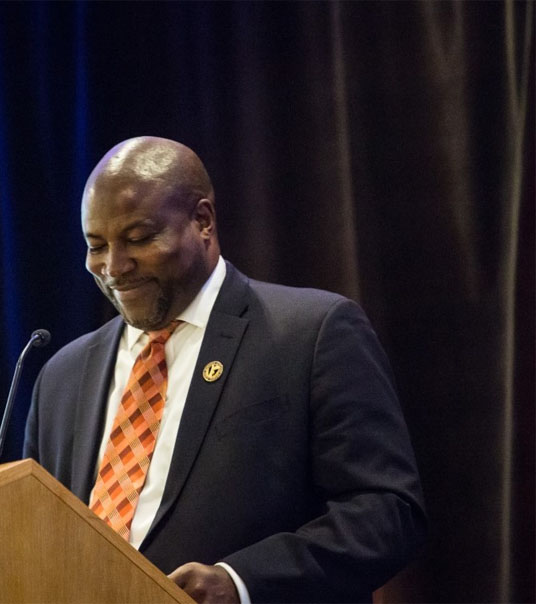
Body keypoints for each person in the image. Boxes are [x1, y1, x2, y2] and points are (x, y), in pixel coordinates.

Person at [24, 136, 426, 603]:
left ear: (202, 221)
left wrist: (240, 582)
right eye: (96, 246)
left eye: (138, 239)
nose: (114, 267)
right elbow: (36, 534)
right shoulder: (62, 377)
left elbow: (386, 513)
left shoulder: (311, 333)